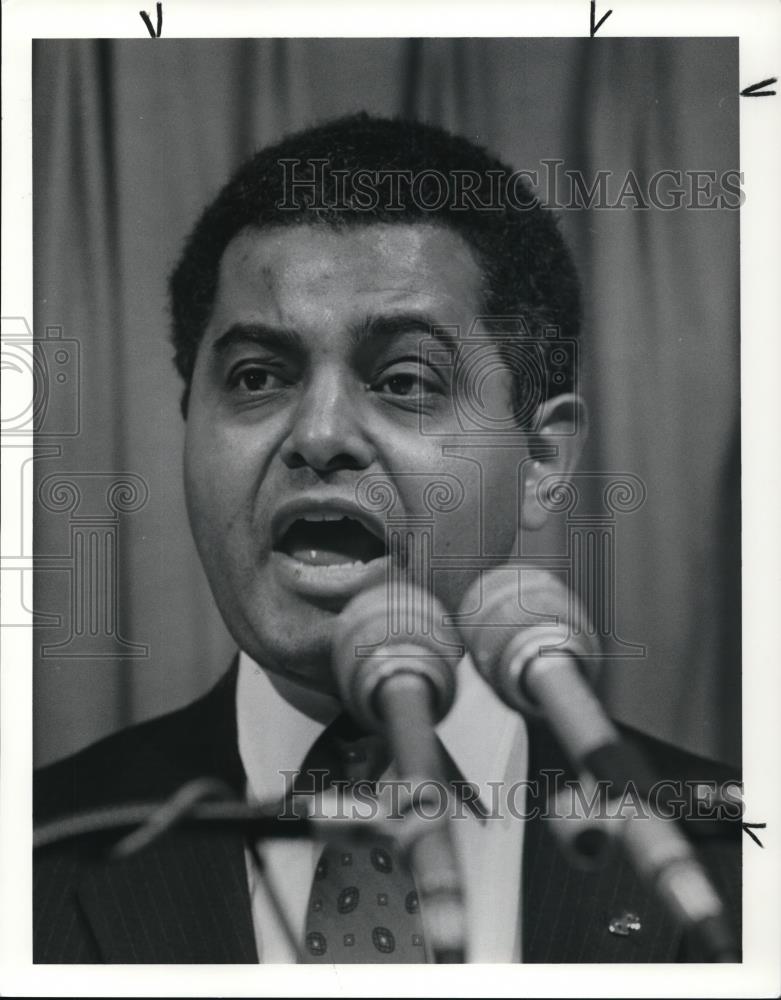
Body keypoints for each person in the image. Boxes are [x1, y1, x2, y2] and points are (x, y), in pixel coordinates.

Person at [33, 113, 741, 964]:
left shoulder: (731, 855)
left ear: (543, 459)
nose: (320, 433)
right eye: (257, 378)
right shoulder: (39, 852)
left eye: (404, 379)